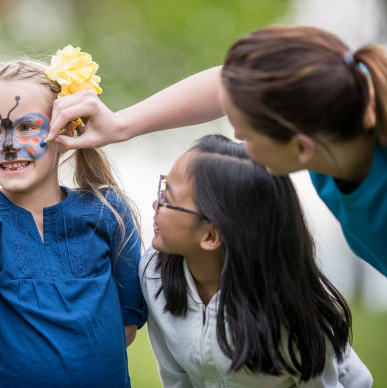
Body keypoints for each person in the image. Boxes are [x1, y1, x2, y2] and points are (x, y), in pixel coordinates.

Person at [48, 25, 387, 277]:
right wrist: (120, 125)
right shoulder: (337, 96)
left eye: (247, 133)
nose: (235, 136)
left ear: (301, 149)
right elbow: (231, 81)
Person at [0, 52, 147, 388]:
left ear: (66, 131)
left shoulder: (107, 210)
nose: (8, 145)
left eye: (26, 127)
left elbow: (127, 321)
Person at [140, 134, 372, 387]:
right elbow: (176, 379)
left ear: (210, 235)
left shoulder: (287, 314)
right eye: (163, 187)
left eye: (168, 198)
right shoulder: (154, 274)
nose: (155, 203)